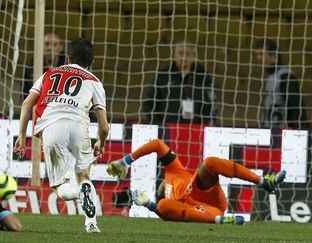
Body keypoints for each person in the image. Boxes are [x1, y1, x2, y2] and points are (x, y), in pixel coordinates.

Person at [14, 39, 109, 233]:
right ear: (92, 62)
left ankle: (77, 193)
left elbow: (27, 104)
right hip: (78, 126)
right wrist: (101, 141)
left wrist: (22, 136)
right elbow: (104, 126)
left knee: (61, 189)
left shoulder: (49, 74)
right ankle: (91, 223)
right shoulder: (94, 81)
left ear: (68, 57)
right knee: (84, 176)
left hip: (52, 126)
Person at [106, 139, 286, 224]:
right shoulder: (166, 201)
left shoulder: (172, 170)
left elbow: (158, 144)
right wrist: (149, 204)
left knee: (210, 163)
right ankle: (221, 221)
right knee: (164, 205)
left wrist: (125, 161)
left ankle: (263, 182)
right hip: (203, 211)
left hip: (203, 192)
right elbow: (167, 214)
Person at [143, 42, 216, 133]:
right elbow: (150, 103)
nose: (183, 57)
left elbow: (210, 105)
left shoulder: (203, 77)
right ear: (175, 56)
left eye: (187, 54)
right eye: (180, 53)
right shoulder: (163, 76)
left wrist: (204, 127)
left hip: (195, 130)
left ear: (193, 57)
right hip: (167, 130)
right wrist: (158, 125)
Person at [254, 39, 309, 141]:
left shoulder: (286, 76)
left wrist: (300, 136)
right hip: (271, 132)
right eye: (257, 55)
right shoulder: (271, 77)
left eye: (261, 54)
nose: (258, 58)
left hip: (284, 135)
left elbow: (297, 108)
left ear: (273, 55)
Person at [22, 33, 67, 99]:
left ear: (60, 48)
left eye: (54, 45)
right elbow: (25, 92)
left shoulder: (67, 65)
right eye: (46, 44)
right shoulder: (31, 66)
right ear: (41, 46)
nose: (50, 48)